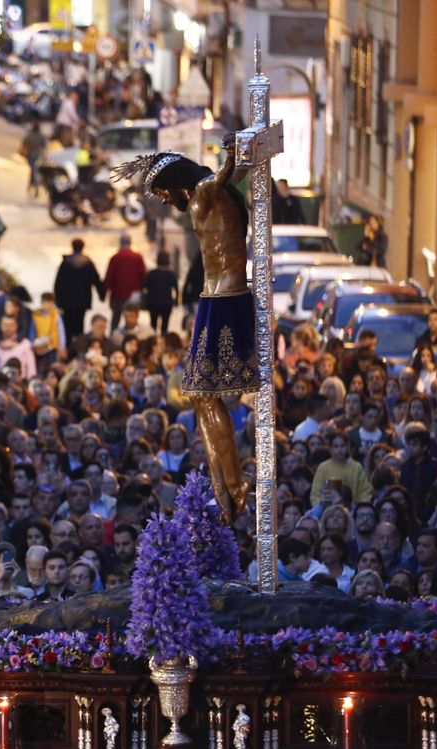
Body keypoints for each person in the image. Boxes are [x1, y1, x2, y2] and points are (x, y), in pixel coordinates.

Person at [119, 139, 253, 520]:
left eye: (161, 190)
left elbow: (224, 176)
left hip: (225, 300)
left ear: (176, 181)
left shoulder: (204, 193)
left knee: (205, 396)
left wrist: (231, 155)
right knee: (198, 396)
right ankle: (225, 481)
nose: (162, 199)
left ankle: (232, 480)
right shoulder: (206, 196)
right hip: (216, 299)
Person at [53, 240, 104, 340]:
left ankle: (69, 347)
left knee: (67, 326)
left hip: (66, 302)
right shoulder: (88, 263)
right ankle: (77, 346)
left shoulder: (65, 263)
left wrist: (58, 301)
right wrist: (101, 294)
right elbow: (96, 280)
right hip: (82, 301)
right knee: (79, 324)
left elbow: (58, 284)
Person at [102, 234, 148, 331]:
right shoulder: (138, 257)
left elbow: (109, 276)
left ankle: (114, 337)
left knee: (116, 318)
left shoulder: (115, 258)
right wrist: (143, 290)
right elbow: (144, 276)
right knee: (133, 318)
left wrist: (105, 293)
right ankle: (133, 337)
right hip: (134, 295)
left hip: (118, 294)